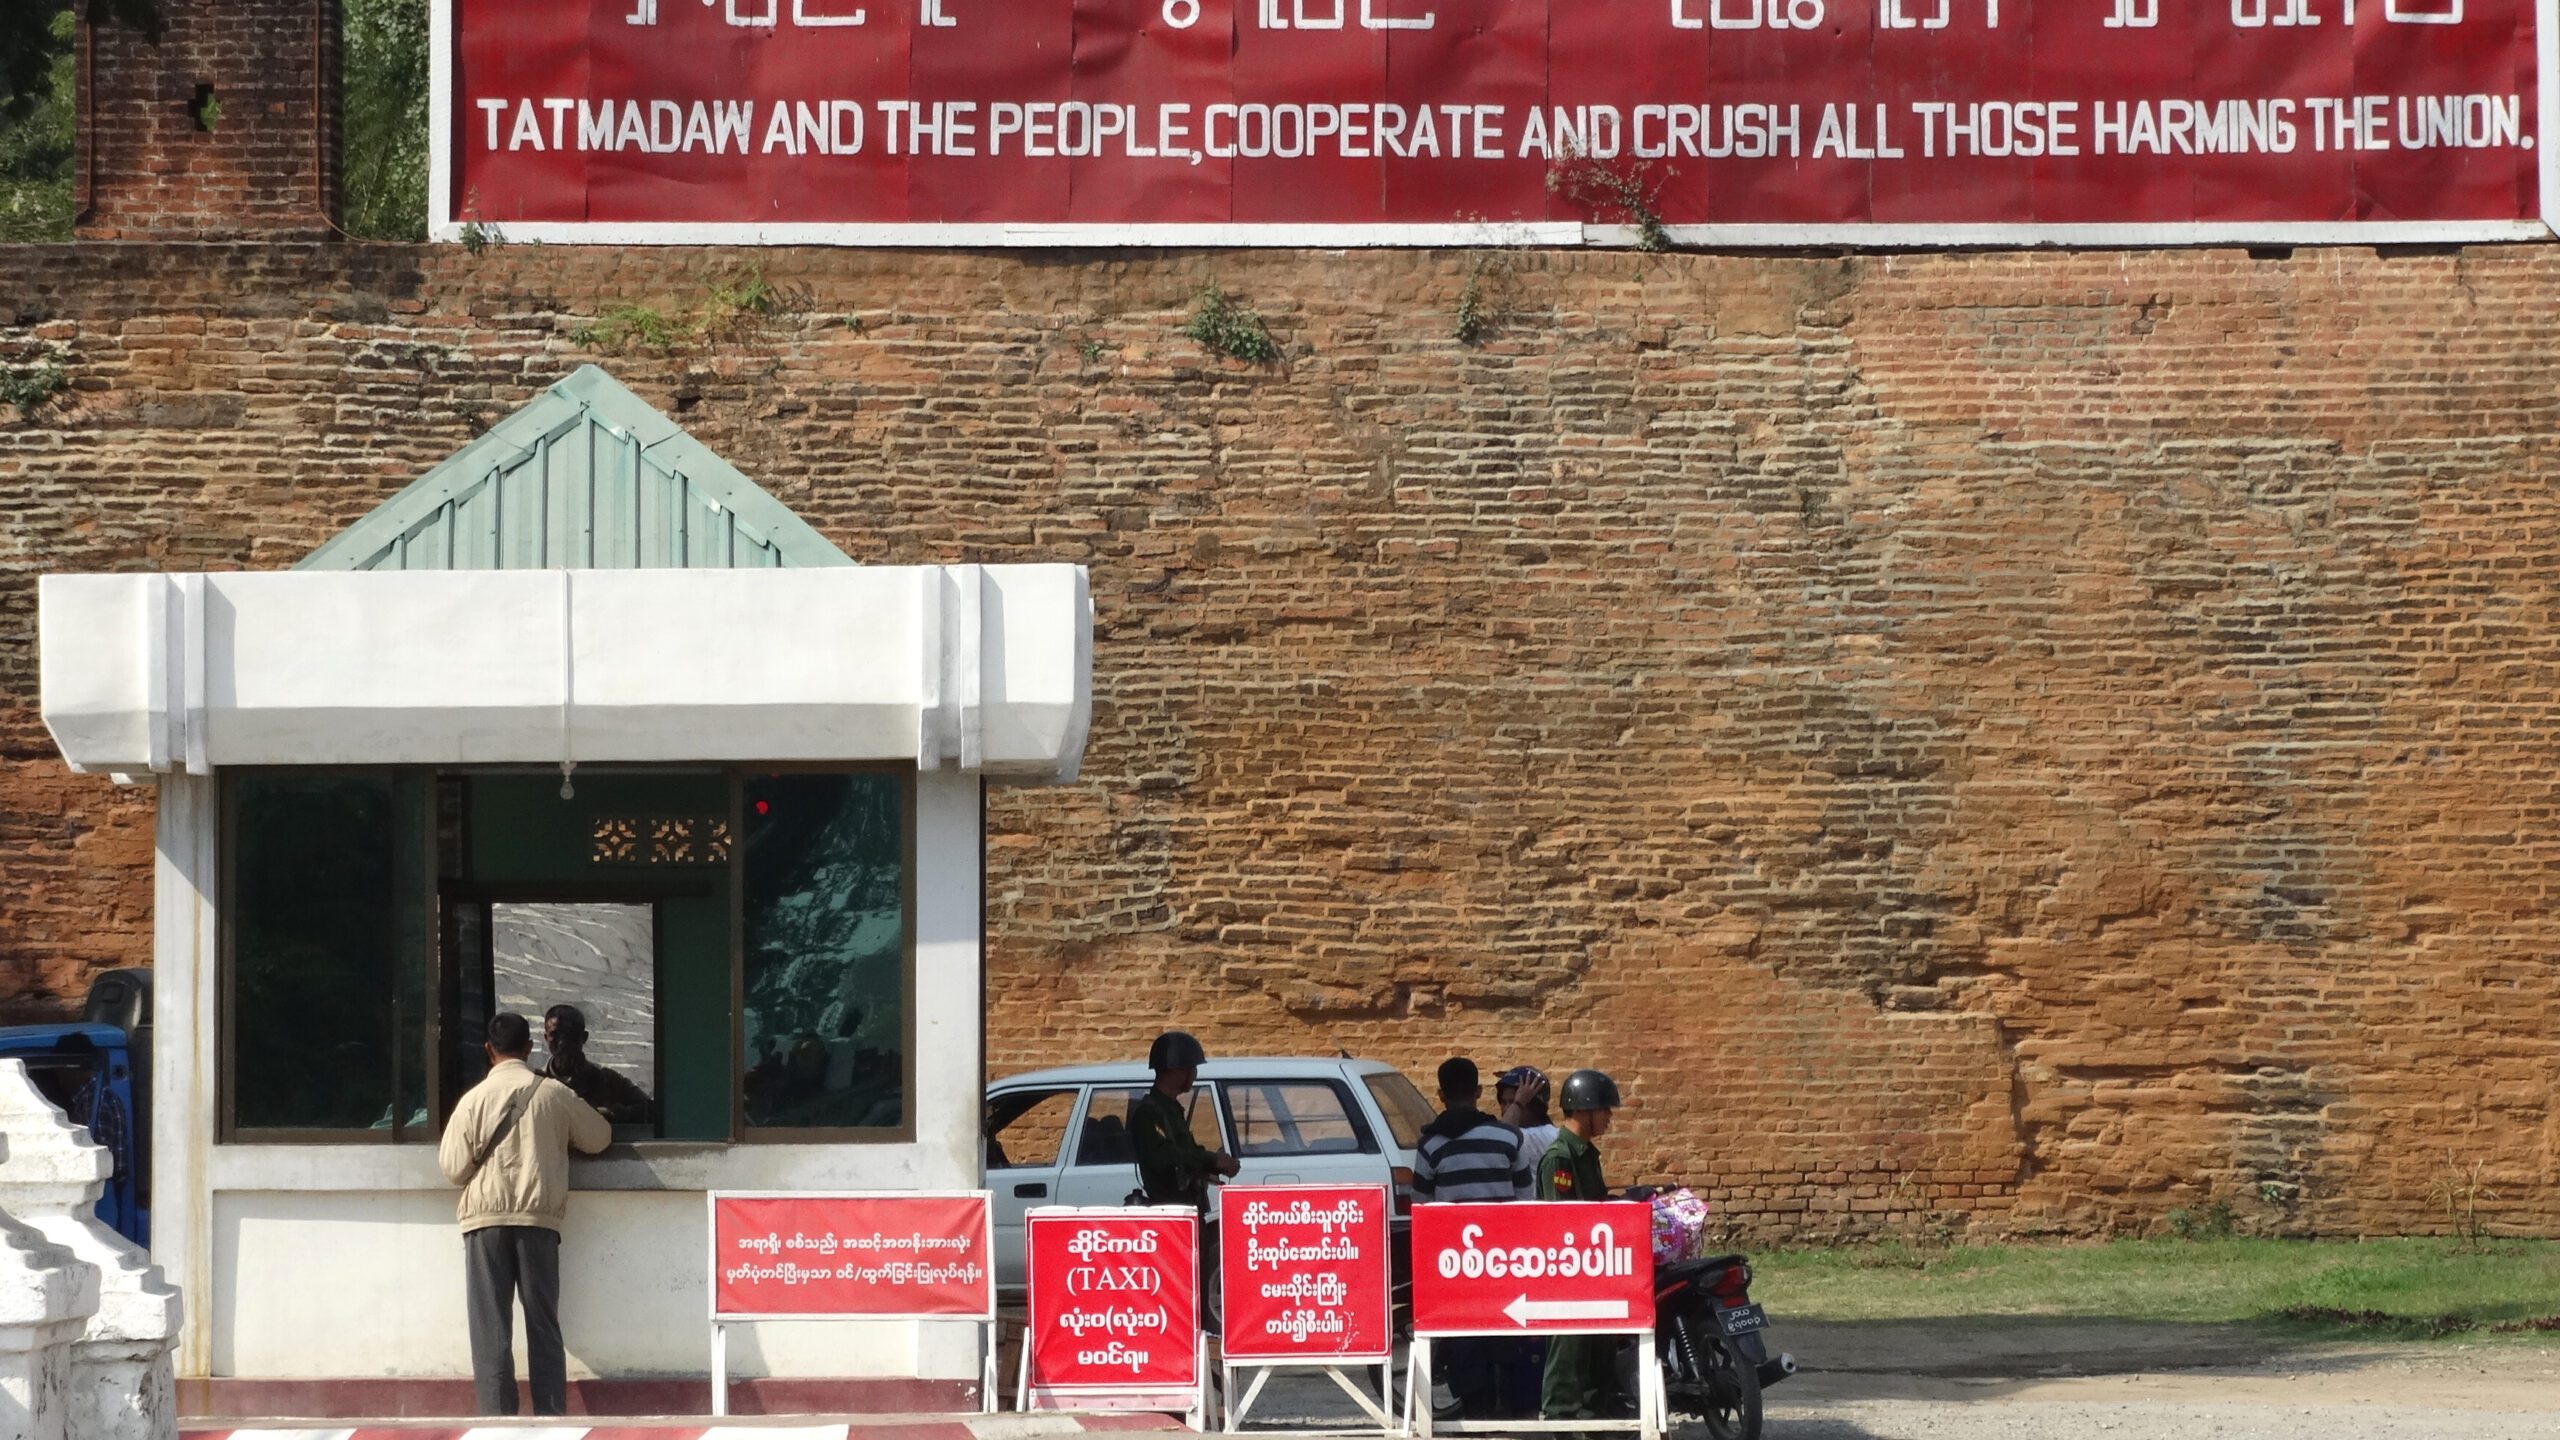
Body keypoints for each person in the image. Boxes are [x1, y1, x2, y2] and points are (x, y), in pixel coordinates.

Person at [438, 1010, 613, 1416]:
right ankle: (550, 1420)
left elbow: (451, 1167)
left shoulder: (472, 1101)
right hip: (538, 1222)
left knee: (491, 1330)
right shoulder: (553, 1094)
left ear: (488, 1050)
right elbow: (599, 1138)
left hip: (485, 1224)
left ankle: (498, 1424)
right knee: (543, 1324)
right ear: (530, 1047)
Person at [1413, 1057, 1530, 1420]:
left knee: (1463, 1329)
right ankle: (1507, 1399)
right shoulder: (1509, 1138)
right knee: (1505, 1324)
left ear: (1440, 1095)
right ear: (1479, 1092)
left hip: (1455, 1260)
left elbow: (1422, 1208)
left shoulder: (1430, 1146)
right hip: (1502, 1255)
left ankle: (1475, 1404)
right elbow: (1525, 1200)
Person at [1129, 1030, 1240, 1330]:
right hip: (1170, 1213)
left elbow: (1184, 1154)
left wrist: (1212, 1166)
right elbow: (1164, 1157)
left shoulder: (1171, 1111)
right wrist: (1211, 1159)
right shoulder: (1150, 1114)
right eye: (1190, 1068)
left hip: (1189, 1210)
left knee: (1197, 1290)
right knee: (1179, 1293)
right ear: (1176, 1069)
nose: (1193, 1074)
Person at [1538, 1068, 1624, 1425]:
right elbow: (1563, 1220)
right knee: (1570, 1344)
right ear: (1585, 1109)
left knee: (1601, 1343)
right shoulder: (1561, 1158)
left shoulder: (1587, 1154)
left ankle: (1594, 1416)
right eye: (1605, 1110)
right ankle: (1561, 1418)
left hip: (1593, 1265)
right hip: (1568, 1269)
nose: (1609, 1117)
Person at [540, 1003, 653, 1126]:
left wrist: (607, 1113)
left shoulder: (607, 1079)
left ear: (584, 1037)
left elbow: (648, 1108)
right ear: (546, 1037)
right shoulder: (536, 1082)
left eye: (569, 1034)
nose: (562, 1042)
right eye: (554, 1035)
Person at [1498, 1065, 1560, 1175]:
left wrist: (1519, 1102)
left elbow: (1502, 1137)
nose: (1506, 1109)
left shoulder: (1546, 1136)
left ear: (1535, 1106)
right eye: (1503, 1102)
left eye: (1512, 1102)